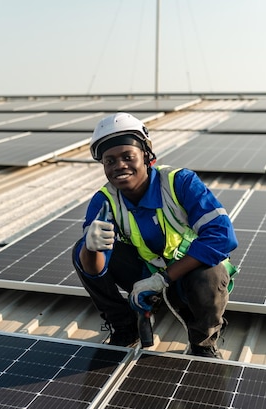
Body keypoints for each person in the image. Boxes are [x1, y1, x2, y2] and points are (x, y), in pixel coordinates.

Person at [71, 112, 238, 358]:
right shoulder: (104, 201)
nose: (119, 166)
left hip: (188, 274)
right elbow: (95, 270)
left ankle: (203, 342)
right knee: (80, 251)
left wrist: (163, 279)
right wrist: (91, 248)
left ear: (147, 156)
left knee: (212, 273)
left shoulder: (179, 182)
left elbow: (222, 237)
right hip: (145, 273)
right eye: (110, 161)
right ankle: (125, 328)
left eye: (128, 157)